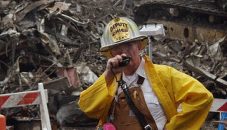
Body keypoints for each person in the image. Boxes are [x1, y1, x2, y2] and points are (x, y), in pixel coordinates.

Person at [78, 17, 213, 130]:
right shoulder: (110, 80)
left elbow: (203, 98)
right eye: (117, 48)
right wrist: (107, 75)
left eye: (129, 45)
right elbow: (87, 108)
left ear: (139, 46)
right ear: (111, 53)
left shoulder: (165, 75)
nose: (123, 52)